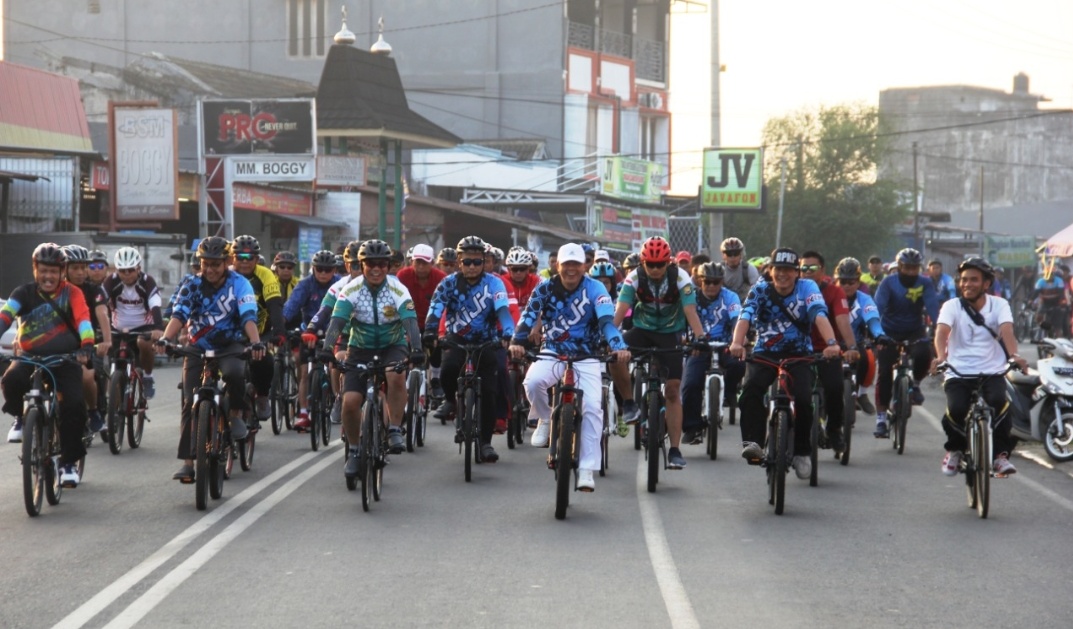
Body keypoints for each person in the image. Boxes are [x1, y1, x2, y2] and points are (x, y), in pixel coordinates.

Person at [509, 243, 630, 491]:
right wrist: (516, 342)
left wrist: (618, 346)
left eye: (576, 264)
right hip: (552, 350)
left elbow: (607, 322)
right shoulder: (544, 288)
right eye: (567, 265)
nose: (572, 269)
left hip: (587, 354)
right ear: (558, 265)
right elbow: (527, 319)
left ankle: (586, 469)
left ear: (584, 266)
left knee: (593, 408)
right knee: (532, 383)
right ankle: (544, 418)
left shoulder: (596, 289)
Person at [728, 247, 842, 480]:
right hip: (764, 354)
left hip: (799, 354)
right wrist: (737, 343)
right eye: (778, 269)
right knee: (749, 392)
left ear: (796, 272)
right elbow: (745, 316)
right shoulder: (759, 288)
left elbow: (819, 314)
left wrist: (831, 343)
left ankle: (802, 452)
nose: (783, 275)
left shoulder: (807, 288)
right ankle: (754, 445)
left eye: (788, 270)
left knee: (803, 399)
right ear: (770, 270)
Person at [156, 237, 264, 482]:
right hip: (198, 345)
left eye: (216, 264)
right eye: (206, 264)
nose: (211, 269)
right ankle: (188, 462)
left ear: (227, 262)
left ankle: (236, 414)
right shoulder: (192, 284)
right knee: (189, 398)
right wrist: (165, 338)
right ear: (200, 263)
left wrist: (255, 342)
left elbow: (248, 315)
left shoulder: (240, 284)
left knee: (235, 373)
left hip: (231, 344)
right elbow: (180, 313)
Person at [320, 240, 423, 474]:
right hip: (360, 348)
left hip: (392, 345)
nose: (376, 269)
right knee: (350, 401)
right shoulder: (351, 289)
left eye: (382, 264)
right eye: (370, 264)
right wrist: (327, 347)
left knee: (395, 375)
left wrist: (416, 348)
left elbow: (410, 322)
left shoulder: (398, 289)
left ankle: (395, 428)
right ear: (362, 265)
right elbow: (337, 322)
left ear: (388, 266)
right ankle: (355, 449)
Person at [0, 244, 95, 486]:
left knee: (73, 405)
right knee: (11, 380)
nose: (48, 276)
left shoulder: (72, 293)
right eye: (44, 271)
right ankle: (20, 418)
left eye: (54, 271)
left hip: (65, 359)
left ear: (62, 272)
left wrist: (86, 346)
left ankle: (68, 463)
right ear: (35, 270)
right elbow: (6, 316)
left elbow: (83, 319)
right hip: (29, 357)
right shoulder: (23, 293)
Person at [611, 236, 707, 470]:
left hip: (670, 334)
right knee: (615, 355)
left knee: (673, 390)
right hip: (641, 331)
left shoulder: (680, 277)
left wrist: (700, 338)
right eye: (650, 265)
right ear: (642, 263)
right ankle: (629, 403)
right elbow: (620, 310)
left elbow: (690, 310)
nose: (655, 269)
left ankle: (674, 450)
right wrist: (609, 336)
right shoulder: (633, 278)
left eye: (660, 264)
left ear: (668, 263)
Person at [424, 236, 516, 463]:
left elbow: (503, 310)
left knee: (489, 392)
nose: (472, 267)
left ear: (485, 262)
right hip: (457, 339)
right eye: (467, 262)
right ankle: (452, 401)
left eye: (477, 262)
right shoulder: (448, 283)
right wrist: (430, 330)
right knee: (447, 371)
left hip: (487, 341)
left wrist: (507, 333)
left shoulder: (495, 283)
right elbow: (435, 309)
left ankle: (485, 443)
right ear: (459, 262)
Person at [933, 257, 1027, 476]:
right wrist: (940, 357)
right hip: (958, 371)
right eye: (964, 280)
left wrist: (1014, 356)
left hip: (992, 371)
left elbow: (1006, 331)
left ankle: (999, 457)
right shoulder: (951, 306)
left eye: (974, 280)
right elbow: (941, 333)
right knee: (956, 408)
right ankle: (955, 449)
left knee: (999, 403)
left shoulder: (999, 304)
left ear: (986, 284)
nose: (967, 284)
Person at [872, 248, 939, 438]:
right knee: (884, 372)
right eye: (907, 268)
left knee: (924, 353)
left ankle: (915, 384)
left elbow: (933, 307)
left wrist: (940, 328)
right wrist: (875, 332)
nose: (911, 272)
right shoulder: (888, 283)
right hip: (889, 331)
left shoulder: (925, 283)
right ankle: (881, 419)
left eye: (914, 268)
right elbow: (878, 308)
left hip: (914, 330)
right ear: (900, 266)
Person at [798, 251, 860, 451]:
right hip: (798, 351)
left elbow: (842, 320)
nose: (807, 273)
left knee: (835, 388)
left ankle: (834, 429)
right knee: (793, 394)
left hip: (828, 350)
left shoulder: (835, 292)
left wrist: (851, 347)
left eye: (812, 268)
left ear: (822, 271)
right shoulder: (793, 290)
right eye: (803, 269)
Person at [681, 262, 743, 445]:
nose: (711, 286)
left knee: (739, 364)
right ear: (700, 281)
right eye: (707, 281)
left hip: (725, 345)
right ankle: (693, 428)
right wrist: (684, 338)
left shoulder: (730, 297)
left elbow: (736, 320)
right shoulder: (690, 296)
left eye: (716, 282)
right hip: (698, 347)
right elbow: (682, 321)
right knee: (690, 385)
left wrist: (738, 340)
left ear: (722, 282)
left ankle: (729, 392)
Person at [231, 235, 285, 425]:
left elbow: (275, 305)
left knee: (266, 360)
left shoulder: (265, 275)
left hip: (261, 331)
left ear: (256, 259)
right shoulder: (227, 275)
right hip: (233, 333)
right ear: (232, 258)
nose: (245, 263)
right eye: (240, 258)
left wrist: (278, 333)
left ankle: (262, 396)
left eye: (250, 258)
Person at [284, 250, 341, 430]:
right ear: (313, 269)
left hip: (334, 333)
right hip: (309, 333)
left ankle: (337, 400)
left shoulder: (340, 284)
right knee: (304, 371)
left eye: (328, 269)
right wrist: (280, 327)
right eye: (320, 269)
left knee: (336, 365)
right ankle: (303, 413)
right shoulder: (305, 285)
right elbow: (290, 307)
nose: (323, 273)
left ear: (334, 270)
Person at [101, 247, 165, 398]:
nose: (127, 274)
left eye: (131, 270)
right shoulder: (111, 281)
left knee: (144, 343)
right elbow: (100, 304)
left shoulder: (147, 281)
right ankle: (114, 415)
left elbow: (155, 305)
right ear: (117, 270)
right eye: (122, 271)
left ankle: (148, 376)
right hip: (117, 329)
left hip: (143, 328)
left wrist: (158, 328)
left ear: (138, 268)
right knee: (113, 375)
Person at [63, 245, 113, 435]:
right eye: (75, 268)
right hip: (59, 343)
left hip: (87, 342)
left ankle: (94, 412)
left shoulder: (95, 290)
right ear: (64, 269)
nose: (80, 272)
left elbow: (102, 314)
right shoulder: (56, 290)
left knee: (88, 376)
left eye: (83, 268)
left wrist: (107, 340)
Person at [833, 258, 889, 416]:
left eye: (851, 282)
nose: (847, 286)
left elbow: (872, 319)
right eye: (843, 281)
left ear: (858, 282)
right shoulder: (828, 296)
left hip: (856, 343)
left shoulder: (864, 299)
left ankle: (862, 393)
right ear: (837, 281)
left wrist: (879, 335)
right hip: (831, 344)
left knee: (869, 358)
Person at [396, 243, 447, 400]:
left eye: (425, 262)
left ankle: (436, 379)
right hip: (408, 322)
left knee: (437, 347)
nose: (421, 266)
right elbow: (396, 303)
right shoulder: (403, 276)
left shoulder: (441, 279)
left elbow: (445, 307)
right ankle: (403, 382)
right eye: (417, 262)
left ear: (432, 263)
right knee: (402, 350)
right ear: (412, 262)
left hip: (433, 323)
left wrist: (440, 331)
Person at [720, 237, 759, 303]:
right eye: (729, 254)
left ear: (741, 254)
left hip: (745, 305)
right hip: (723, 306)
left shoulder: (749, 269)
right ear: (724, 256)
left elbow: (758, 291)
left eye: (736, 253)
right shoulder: (719, 270)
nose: (733, 257)